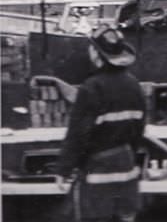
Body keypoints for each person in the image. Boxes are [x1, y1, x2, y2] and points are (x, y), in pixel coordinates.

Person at [56, 25, 146, 222]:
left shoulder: (91, 88)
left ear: (97, 54)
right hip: (126, 169)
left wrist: (64, 170)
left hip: (97, 176)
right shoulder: (134, 85)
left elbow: (78, 135)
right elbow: (138, 131)